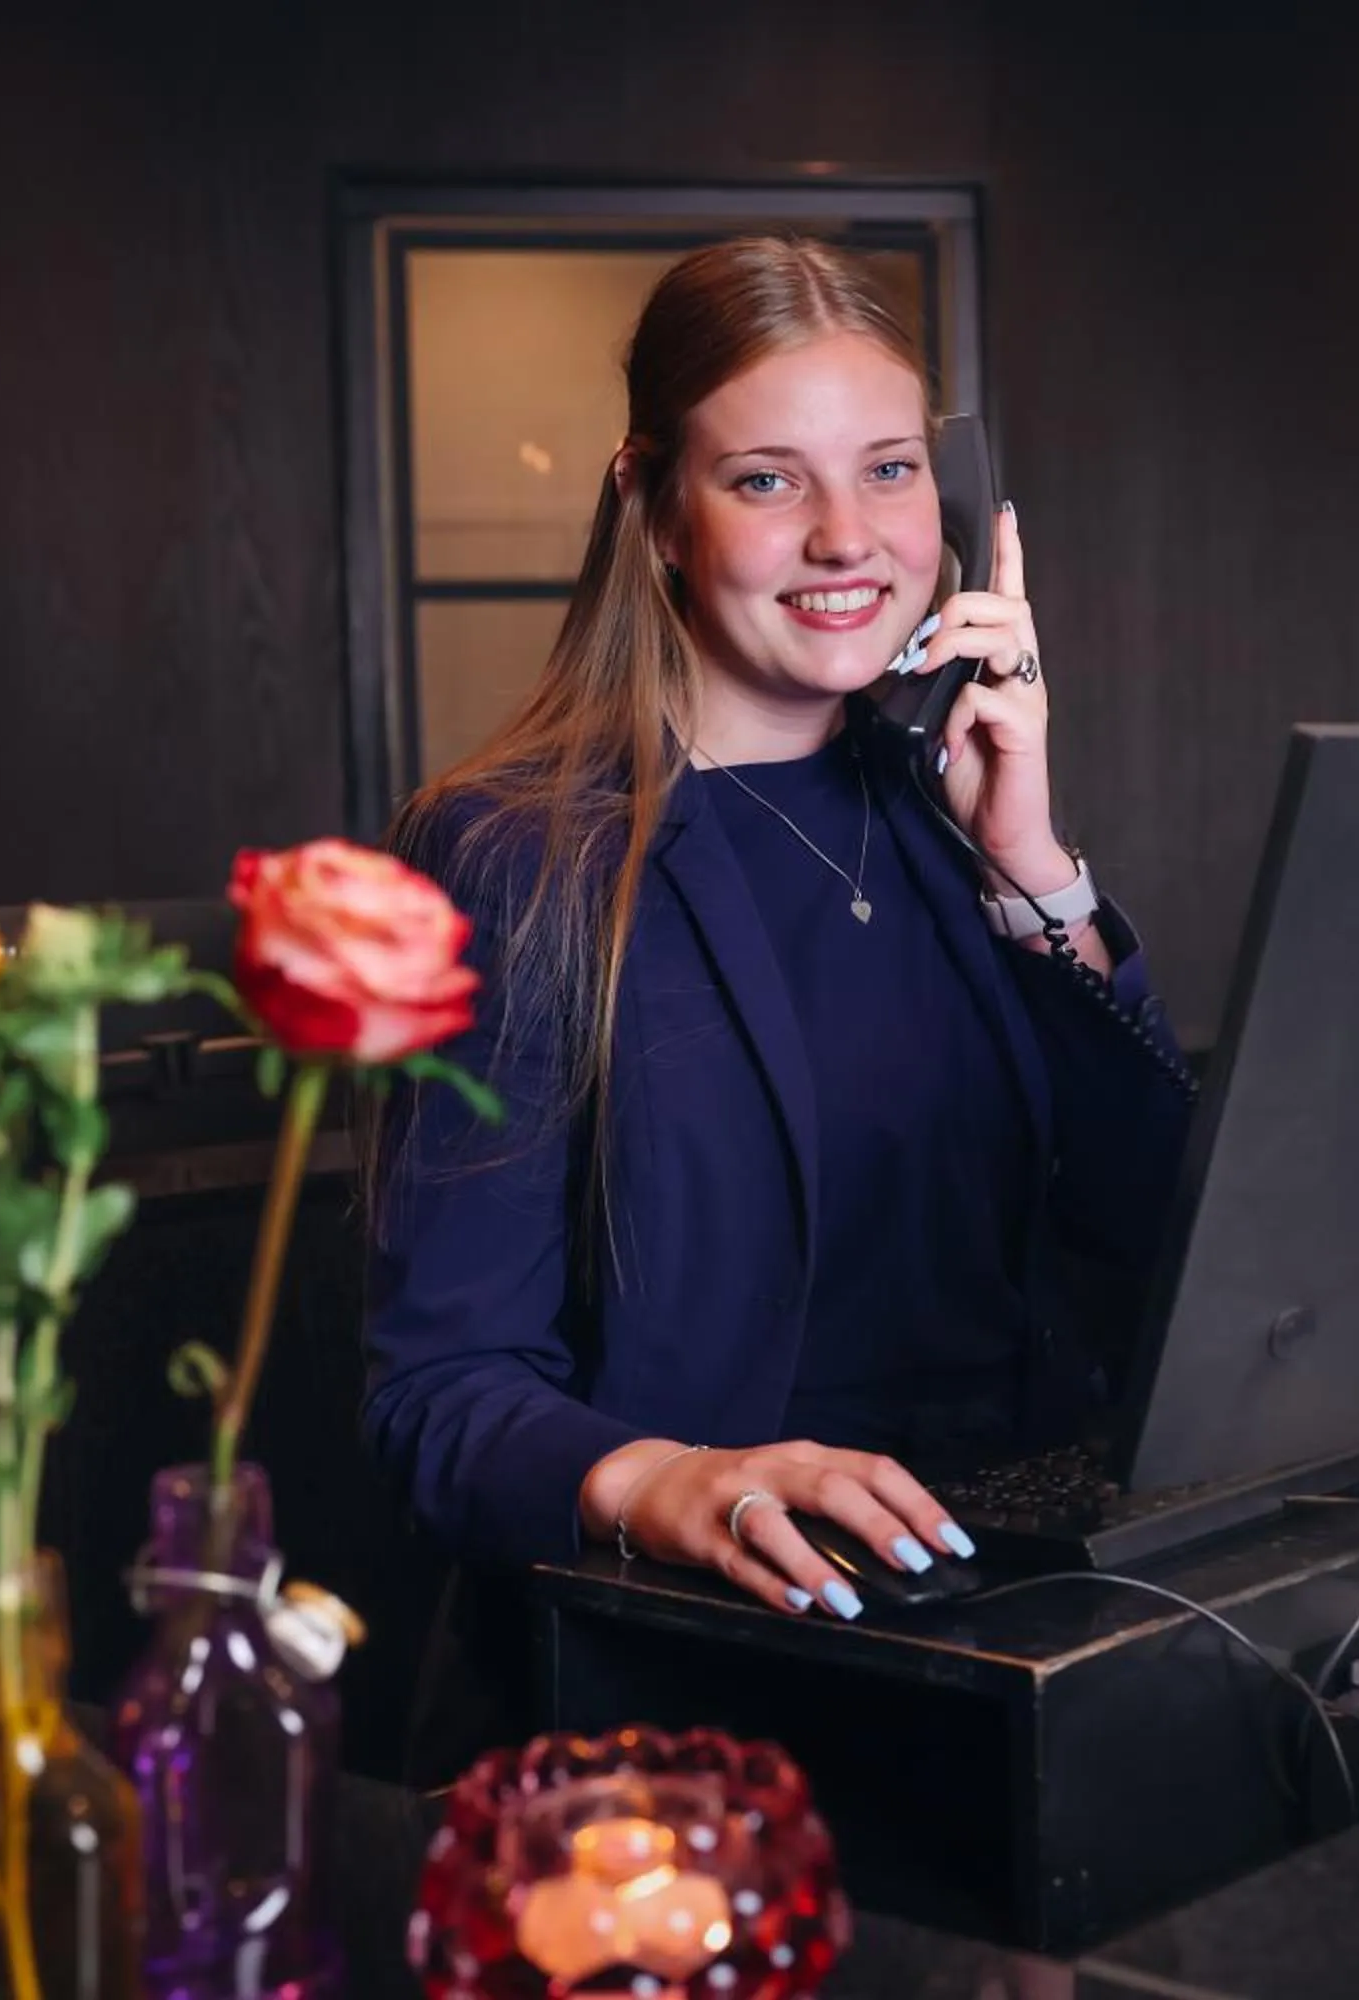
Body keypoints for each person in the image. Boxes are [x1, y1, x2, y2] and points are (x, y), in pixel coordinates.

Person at [363, 238, 1193, 1639]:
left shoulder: (948, 812)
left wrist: (1032, 871)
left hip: (1029, 1592)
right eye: (766, 480)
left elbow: (1153, 1224)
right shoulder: (514, 852)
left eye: (888, 468)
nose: (847, 538)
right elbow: (436, 1393)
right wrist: (677, 1482)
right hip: (736, 1634)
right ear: (656, 504)